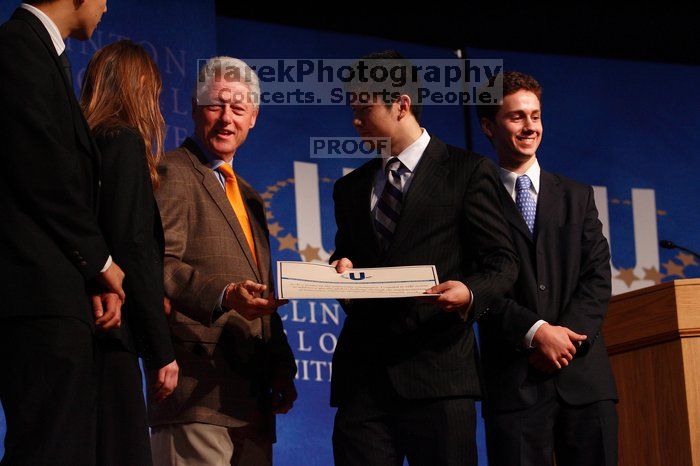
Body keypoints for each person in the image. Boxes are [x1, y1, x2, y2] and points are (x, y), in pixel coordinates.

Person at [329, 50, 518, 466]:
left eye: (364, 108)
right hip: (364, 380)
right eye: (352, 110)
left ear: (401, 105)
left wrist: (469, 291)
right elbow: (346, 256)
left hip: (438, 375)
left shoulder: (467, 171)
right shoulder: (351, 188)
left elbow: (503, 262)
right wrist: (340, 269)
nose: (356, 120)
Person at [148, 56, 297, 466]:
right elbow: (158, 265)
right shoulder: (173, 172)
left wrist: (281, 365)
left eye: (238, 108)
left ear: (253, 117)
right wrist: (225, 295)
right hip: (196, 390)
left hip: (253, 397)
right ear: (195, 110)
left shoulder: (249, 196)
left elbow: (263, 289)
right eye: (216, 105)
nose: (226, 119)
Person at [0, 2, 126, 465]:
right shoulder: (18, 46)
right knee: (48, 449)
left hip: (56, 292)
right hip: (35, 297)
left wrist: (89, 277)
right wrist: (101, 262)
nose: (106, 4)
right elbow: (42, 169)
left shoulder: (42, 53)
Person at [476, 71, 618, 466]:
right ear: (489, 126)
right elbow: (480, 287)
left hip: (585, 381)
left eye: (535, 116)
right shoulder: (473, 202)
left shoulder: (576, 196)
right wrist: (536, 333)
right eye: (516, 117)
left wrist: (563, 342)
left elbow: (597, 278)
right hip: (514, 385)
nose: (530, 127)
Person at [80, 39, 180, 466]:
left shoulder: (84, 145)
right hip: (110, 333)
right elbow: (132, 245)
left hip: (82, 324)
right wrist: (161, 350)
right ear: (139, 87)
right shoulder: (121, 141)